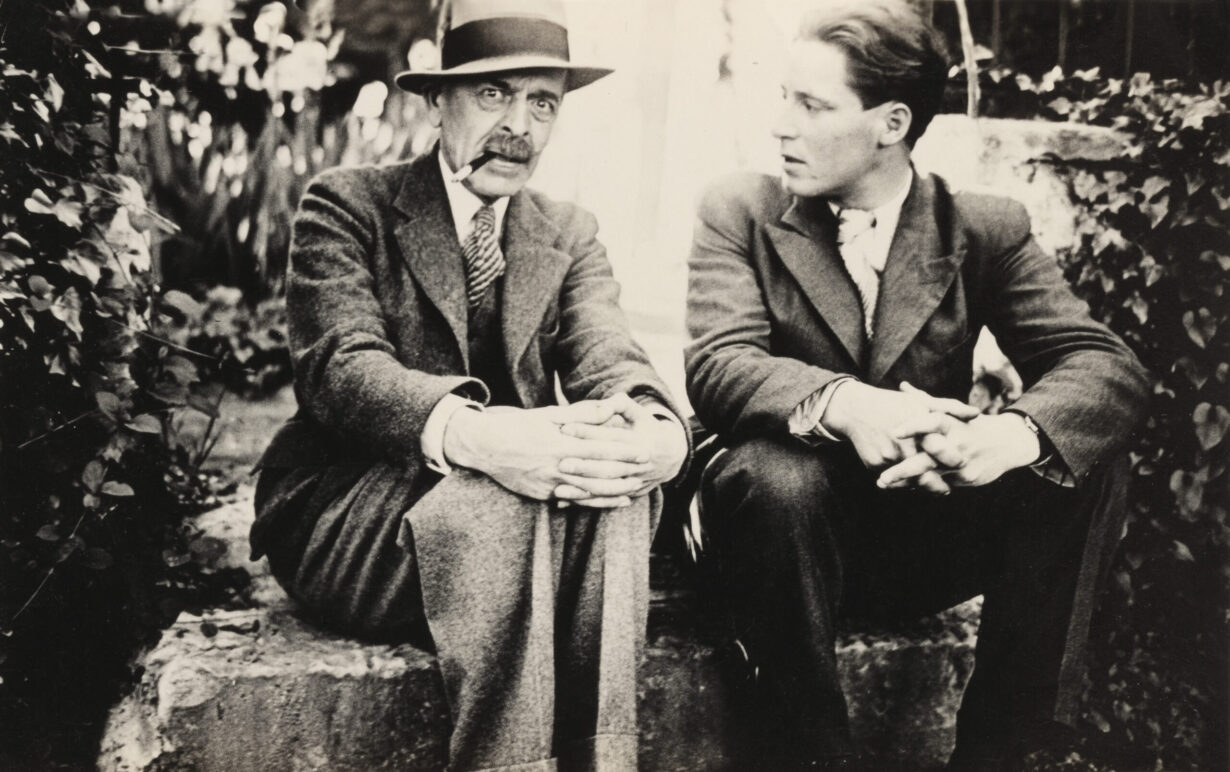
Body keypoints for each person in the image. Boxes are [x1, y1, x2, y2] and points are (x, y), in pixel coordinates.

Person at [683, 1, 1148, 769]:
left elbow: (1105, 367)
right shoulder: (743, 210)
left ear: (891, 124)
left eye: (812, 105)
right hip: (774, 536)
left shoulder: (980, 228)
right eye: (785, 98)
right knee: (779, 478)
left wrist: (1002, 437)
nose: (782, 126)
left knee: (1078, 458)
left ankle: (1006, 751)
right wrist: (846, 405)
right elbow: (720, 364)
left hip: (909, 530)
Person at [250, 1, 690, 770]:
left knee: (617, 481)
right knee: (498, 497)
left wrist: (657, 438)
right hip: (356, 515)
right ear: (437, 101)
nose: (519, 125)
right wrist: (487, 439)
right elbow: (342, 369)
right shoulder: (349, 204)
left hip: (515, 522)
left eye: (542, 103)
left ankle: (603, 762)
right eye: (494, 94)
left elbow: (612, 360)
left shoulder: (566, 230)